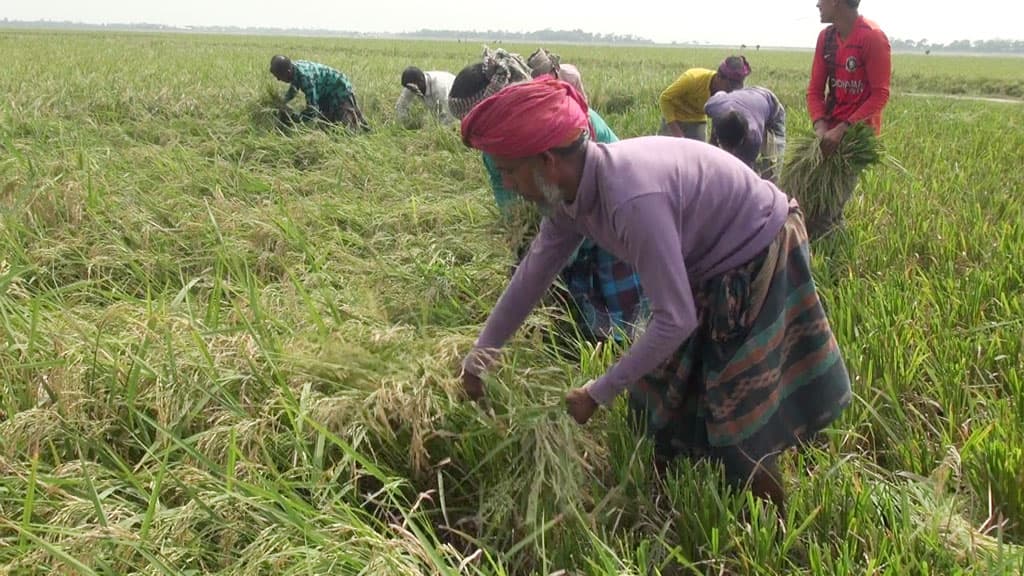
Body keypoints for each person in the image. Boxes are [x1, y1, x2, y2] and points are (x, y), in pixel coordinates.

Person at [458, 79, 852, 514]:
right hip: (706, 263)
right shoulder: (569, 196)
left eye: (510, 171)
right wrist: (481, 355)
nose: (508, 184)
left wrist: (597, 392)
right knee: (656, 395)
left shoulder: (631, 199)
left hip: (758, 250)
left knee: (737, 412)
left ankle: (778, 526)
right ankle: (662, 505)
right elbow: (534, 272)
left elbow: (675, 319)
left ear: (548, 161)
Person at [448, 48, 646, 347]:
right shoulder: (498, 147)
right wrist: (520, 238)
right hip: (562, 221)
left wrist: (550, 256)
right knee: (569, 302)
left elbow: (582, 193)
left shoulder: (560, 123)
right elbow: (506, 193)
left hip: (611, 222)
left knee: (620, 316)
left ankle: (615, 363)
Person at [806, 0, 891, 234]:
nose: (817, 4)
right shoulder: (827, 39)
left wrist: (842, 129)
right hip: (827, 134)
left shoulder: (872, 37)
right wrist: (821, 126)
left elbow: (880, 94)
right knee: (812, 205)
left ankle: (831, 265)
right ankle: (833, 255)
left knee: (825, 213)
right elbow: (815, 91)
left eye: (821, 0)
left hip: (856, 136)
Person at [705, 87, 787, 183]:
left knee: (771, 169)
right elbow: (720, 93)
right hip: (742, 96)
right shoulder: (712, 106)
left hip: (770, 104)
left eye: (733, 148)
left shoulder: (754, 138)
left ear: (744, 138)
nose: (730, 152)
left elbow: (745, 174)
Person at [659, 56, 751, 141]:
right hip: (675, 117)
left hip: (697, 119)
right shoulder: (692, 79)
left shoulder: (727, 94)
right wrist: (677, 134)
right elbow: (665, 98)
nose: (730, 91)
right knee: (666, 154)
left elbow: (719, 116)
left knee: (698, 154)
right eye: (729, 86)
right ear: (719, 77)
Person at [269, 55, 370, 132]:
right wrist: (282, 102)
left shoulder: (306, 78)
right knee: (327, 126)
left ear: (288, 71)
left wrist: (292, 118)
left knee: (348, 127)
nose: (278, 79)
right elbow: (294, 88)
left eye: (279, 76)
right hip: (325, 92)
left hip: (339, 88)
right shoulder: (293, 70)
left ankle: (365, 137)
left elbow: (312, 111)